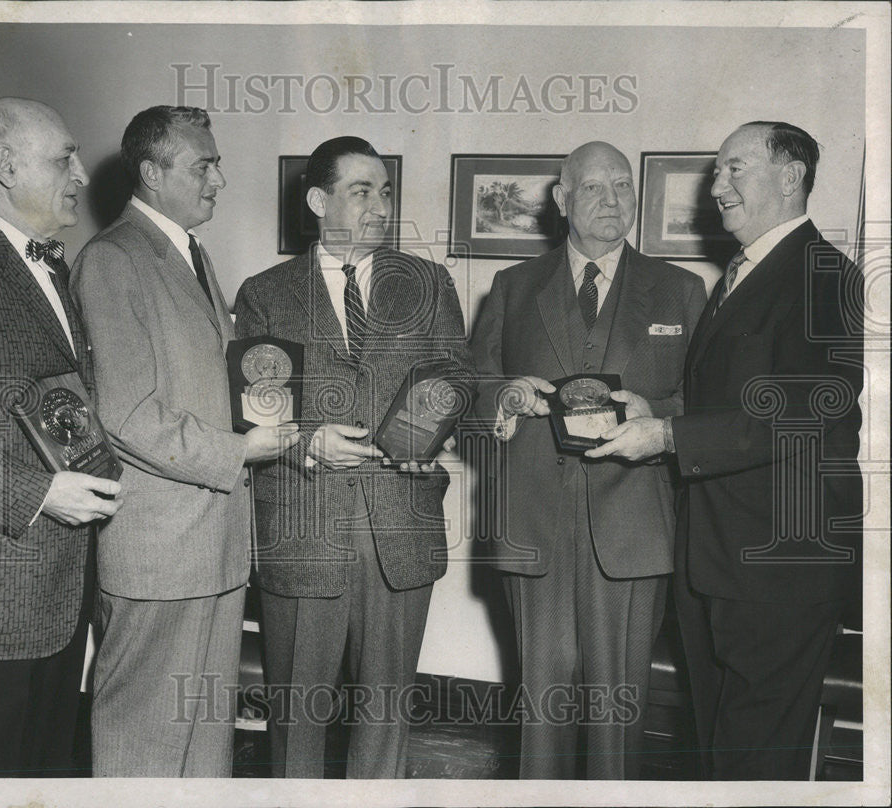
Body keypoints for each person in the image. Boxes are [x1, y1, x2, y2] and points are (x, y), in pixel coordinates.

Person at [587, 121, 863, 780]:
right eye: (717, 172)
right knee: (717, 748)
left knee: (755, 758)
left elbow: (804, 408)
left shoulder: (826, 276)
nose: (716, 188)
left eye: (735, 169)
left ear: (790, 176)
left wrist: (669, 437)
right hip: (717, 560)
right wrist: (659, 411)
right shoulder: (745, 273)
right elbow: (737, 401)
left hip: (778, 568)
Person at [233, 136, 475, 778]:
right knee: (297, 720)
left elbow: (452, 374)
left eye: (385, 191)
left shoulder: (427, 283)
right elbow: (259, 406)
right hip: (305, 528)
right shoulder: (265, 292)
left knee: (386, 717)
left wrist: (430, 437)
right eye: (361, 191)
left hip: (400, 522)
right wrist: (308, 441)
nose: (379, 205)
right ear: (318, 200)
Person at [69, 106, 299, 777]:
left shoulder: (187, 252)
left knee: (203, 744)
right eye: (204, 165)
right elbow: (128, 414)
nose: (219, 179)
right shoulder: (113, 259)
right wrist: (241, 451)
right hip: (158, 554)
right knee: (143, 744)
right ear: (152, 172)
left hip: (213, 546)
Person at [468, 141, 706, 779]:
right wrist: (505, 396)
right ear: (562, 199)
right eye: (594, 188)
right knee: (540, 706)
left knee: (617, 710)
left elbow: (705, 405)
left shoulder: (682, 291)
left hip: (632, 524)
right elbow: (473, 385)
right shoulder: (514, 287)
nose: (612, 200)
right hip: (533, 519)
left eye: (623, 186)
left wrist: (654, 414)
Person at [0, 97, 123, 776]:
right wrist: (39, 494)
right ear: (7, 165)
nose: (82, 174)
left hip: (56, 599)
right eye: (64, 157)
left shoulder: (51, 271)